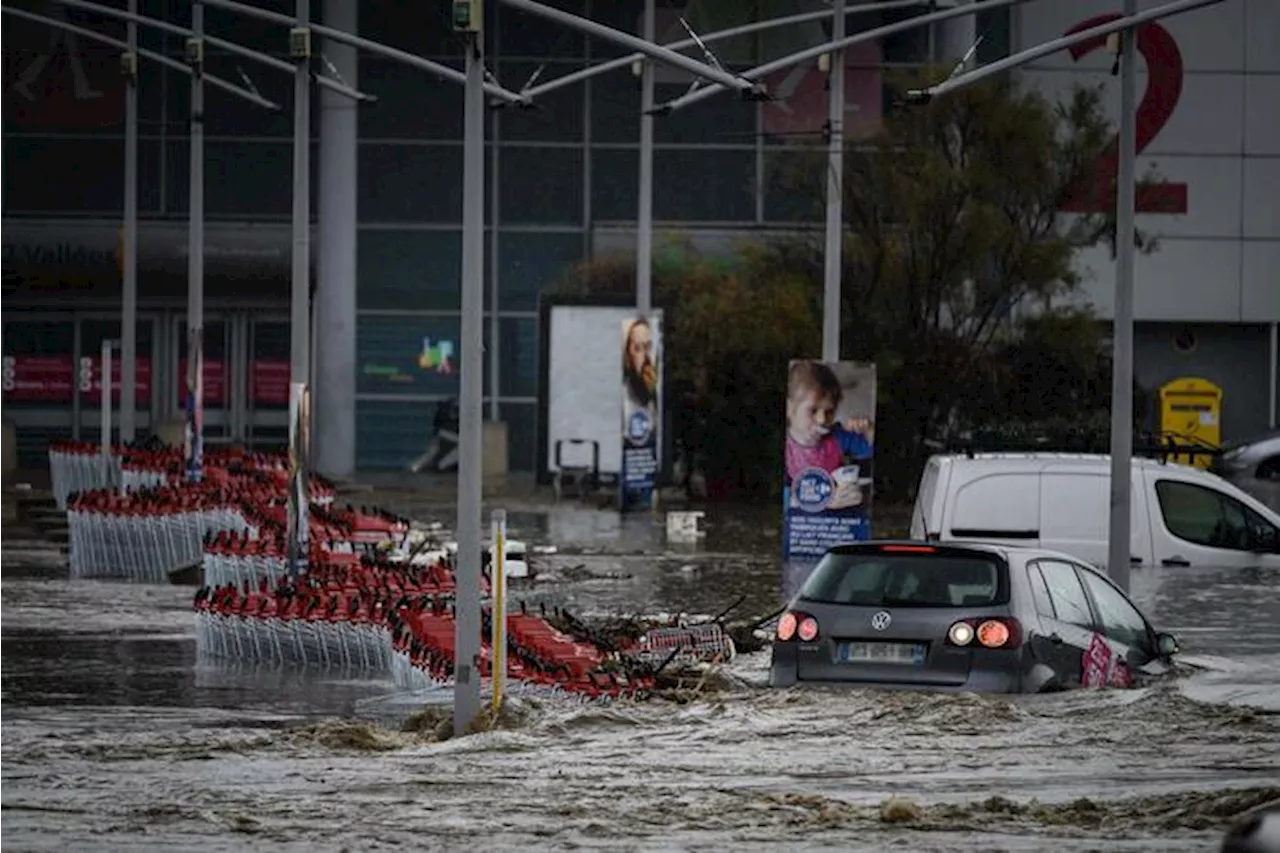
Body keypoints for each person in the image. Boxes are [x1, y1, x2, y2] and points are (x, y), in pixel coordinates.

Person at [785, 360, 874, 510]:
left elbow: (869, 450)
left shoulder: (837, 436)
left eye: (829, 411)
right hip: (801, 524)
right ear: (790, 409)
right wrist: (826, 501)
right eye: (812, 410)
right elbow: (786, 501)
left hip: (837, 520)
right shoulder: (787, 447)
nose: (822, 420)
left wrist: (869, 430)